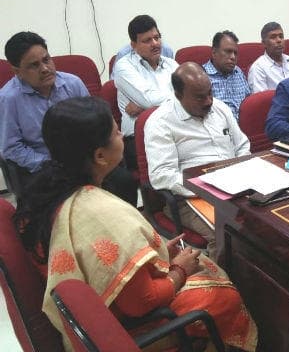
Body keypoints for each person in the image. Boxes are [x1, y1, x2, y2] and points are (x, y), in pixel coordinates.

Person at [14, 96, 257, 351]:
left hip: (93, 305)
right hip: (124, 324)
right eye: (116, 132)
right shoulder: (103, 213)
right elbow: (142, 302)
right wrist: (179, 270)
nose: (122, 135)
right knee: (224, 296)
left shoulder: (53, 187)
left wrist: (158, 255)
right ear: (100, 156)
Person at [0, 31, 137, 206]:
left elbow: (95, 122)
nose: (45, 68)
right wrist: (50, 164)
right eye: (34, 65)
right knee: (70, 204)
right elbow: (11, 147)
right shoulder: (8, 99)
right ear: (17, 71)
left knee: (124, 181)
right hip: (45, 167)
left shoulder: (72, 83)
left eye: (46, 59)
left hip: (85, 161)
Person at [145, 62, 250, 260]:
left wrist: (242, 174)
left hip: (235, 187)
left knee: (267, 223)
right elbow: (161, 175)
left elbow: (242, 145)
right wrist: (206, 186)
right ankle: (223, 278)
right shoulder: (160, 122)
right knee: (227, 233)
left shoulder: (220, 108)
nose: (209, 101)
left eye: (210, 93)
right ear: (178, 95)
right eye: (200, 97)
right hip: (190, 198)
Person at [113, 14, 179, 171]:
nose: (155, 43)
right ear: (133, 45)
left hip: (176, 130)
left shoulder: (171, 65)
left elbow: (190, 94)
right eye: (147, 40)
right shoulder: (124, 67)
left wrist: (145, 107)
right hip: (140, 138)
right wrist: (178, 98)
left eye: (157, 37)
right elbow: (150, 100)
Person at [202, 30, 251, 120]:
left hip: (244, 124)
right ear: (214, 53)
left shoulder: (238, 71)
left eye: (235, 53)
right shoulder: (202, 76)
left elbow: (249, 101)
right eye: (228, 52)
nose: (233, 57)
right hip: (219, 126)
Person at [248, 22, 289, 93]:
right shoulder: (258, 68)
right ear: (264, 43)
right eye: (273, 37)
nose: (279, 40)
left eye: (281, 36)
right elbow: (261, 98)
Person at [110, 42, 174, 79]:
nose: (154, 44)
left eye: (156, 37)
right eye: (147, 40)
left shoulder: (166, 50)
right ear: (134, 44)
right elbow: (114, 82)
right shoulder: (123, 54)